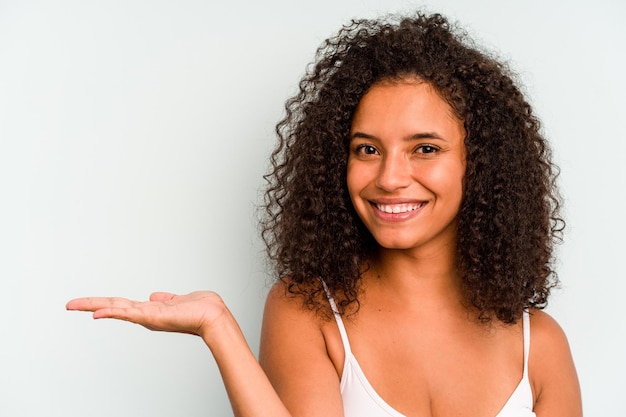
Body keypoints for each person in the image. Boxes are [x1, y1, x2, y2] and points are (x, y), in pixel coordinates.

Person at [66, 12, 582, 417]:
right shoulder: (309, 312)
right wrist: (218, 328)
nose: (389, 177)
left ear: (482, 164)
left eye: (425, 148)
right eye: (367, 149)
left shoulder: (541, 345)